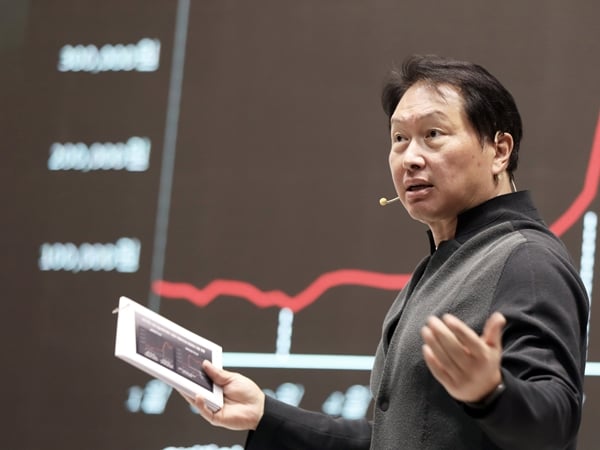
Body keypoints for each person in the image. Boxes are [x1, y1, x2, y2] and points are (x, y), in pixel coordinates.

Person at [185, 55, 590, 449]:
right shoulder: (448, 261)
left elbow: (555, 425)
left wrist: (493, 393)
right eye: (399, 139)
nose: (410, 158)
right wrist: (265, 415)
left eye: (433, 134)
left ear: (499, 150)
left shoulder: (526, 260)